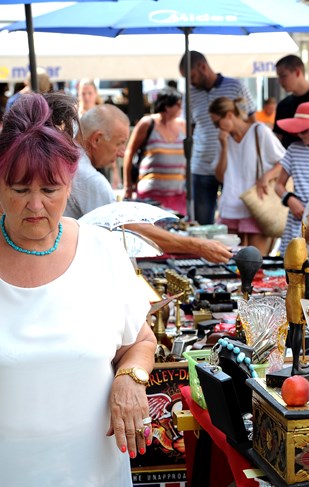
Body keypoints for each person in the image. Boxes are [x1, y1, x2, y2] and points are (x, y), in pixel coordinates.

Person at [0, 92, 156, 485]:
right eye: (19, 190)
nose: (35, 205)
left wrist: (130, 379)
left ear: (70, 184)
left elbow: (140, 341)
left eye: (50, 190)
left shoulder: (101, 249)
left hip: (93, 471)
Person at [67, 104, 233, 263]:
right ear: (97, 139)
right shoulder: (89, 178)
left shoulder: (66, 156)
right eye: (119, 143)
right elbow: (129, 229)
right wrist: (198, 246)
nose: (122, 153)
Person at [179, 51, 256, 225]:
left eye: (192, 76)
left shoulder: (235, 86)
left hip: (233, 167)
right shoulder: (190, 94)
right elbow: (189, 130)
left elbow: (251, 124)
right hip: (201, 166)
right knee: (202, 225)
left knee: (234, 224)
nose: (191, 82)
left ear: (203, 67)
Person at [209, 97, 286, 256]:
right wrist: (224, 147)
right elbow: (220, 177)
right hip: (230, 206)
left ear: (229, 115)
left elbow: (284, 161)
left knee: (256, 261)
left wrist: (266, 176)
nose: (216, 128)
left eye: (217, 123)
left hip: (257, 204)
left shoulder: (259, 131)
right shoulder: (224, 139)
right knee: (230, 261)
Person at [274, 101, 309, 252]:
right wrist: (290, 200)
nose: (299, 135)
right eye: (298, 131)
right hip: (296, 218)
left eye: (304, 130)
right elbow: (279, 185)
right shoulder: (293, 150)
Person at [122, 87, 186, 215]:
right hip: (150, 195)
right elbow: (129, 152)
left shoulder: (182, 125)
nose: (181, 107)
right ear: (167, 106)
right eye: (177, 104)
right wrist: (127, 186)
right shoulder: (147, 123)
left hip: (177, 194)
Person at [273, 55, 309, 149]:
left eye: (283, 76)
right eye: (278, 76)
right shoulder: (283, 105)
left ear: (297, 72)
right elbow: (278, 138)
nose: (279, 81)